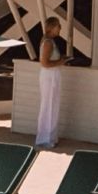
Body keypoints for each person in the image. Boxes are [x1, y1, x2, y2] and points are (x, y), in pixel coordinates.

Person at [34, 17, 67, 147]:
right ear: (52, 27)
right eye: (58, 26)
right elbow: (45, 62)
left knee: (53, 104)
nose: (60, 29)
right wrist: (61, 62)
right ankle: (44, 138)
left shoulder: (50, 41)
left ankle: (50, 136)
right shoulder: (48, 42)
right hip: (49, 75)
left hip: (53, 74)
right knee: (48, 104)